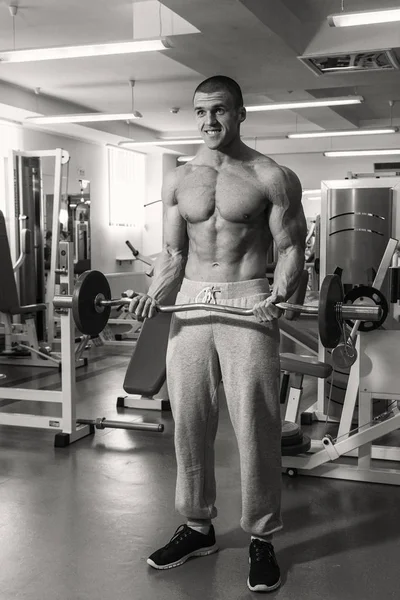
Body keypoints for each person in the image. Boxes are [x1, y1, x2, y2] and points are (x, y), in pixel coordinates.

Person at [128, 75, 307, 593]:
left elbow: (291, 247)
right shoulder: (179, 179)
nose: (210, 121)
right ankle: (197, 525)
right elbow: (175, 253)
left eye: (221, 110)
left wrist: (282, 293)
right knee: (189, 421)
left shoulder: (270, 175)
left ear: (241, 112)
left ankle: (261, 538)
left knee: (256, 426)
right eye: (201, 111)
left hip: (248, 302)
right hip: (189, 304)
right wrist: (156, 291)